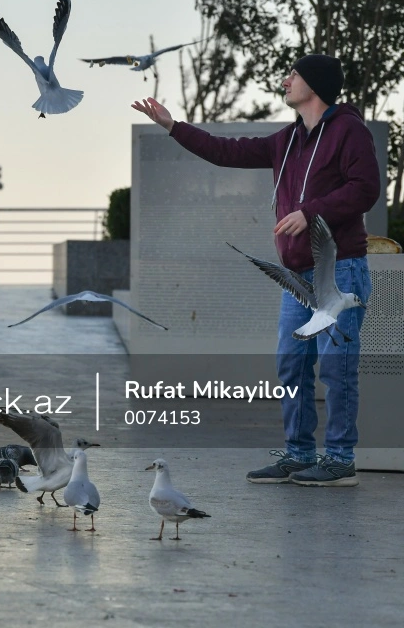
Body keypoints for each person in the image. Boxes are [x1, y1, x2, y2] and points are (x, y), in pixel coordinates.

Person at [132, 54, 378, 486]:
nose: (285, 81)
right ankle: (300, 454)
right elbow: (225, 152)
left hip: (340, 270)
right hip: (297, 278)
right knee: (291, 365)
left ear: (315, 84)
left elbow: (366, 188)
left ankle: (340, 460)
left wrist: (310, 212)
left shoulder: (348, 131)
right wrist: (174, 127)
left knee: (336, 367)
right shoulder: (286, 140)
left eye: (294, 75)